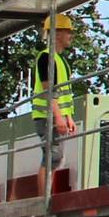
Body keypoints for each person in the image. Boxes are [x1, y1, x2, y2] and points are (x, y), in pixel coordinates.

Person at [36, 14, 78, 165]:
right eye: (68, 31)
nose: (71, 35)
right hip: (47, 116)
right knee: (52, 156)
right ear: (58, 33)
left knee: (56, 158)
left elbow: (64, 95)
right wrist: (58, 117)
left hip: (56, 115)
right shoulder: (46, 57)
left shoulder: (61, 60)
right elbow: (49, 91)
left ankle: (48, 189)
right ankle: (45, 190)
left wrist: (68, 117)